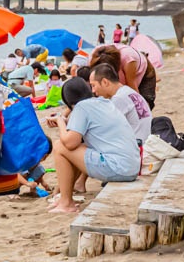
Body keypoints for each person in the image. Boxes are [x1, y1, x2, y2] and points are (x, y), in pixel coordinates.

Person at [47, 78, 141, 213]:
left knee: (59, 146)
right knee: (77, 147)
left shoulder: (81, 107)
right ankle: (64, 197)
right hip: (130, 167)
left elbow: (69, 143)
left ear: (69, 102)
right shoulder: (104, 102)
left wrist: (60, 121)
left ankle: (66, 203)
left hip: (117, 167)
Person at [89, 63, 152, 143]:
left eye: (93, 85)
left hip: (137, 147)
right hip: (145, 141)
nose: (93, 91)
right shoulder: (127, 91)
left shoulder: (119, 99)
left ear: (105, 82)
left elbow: (104, 130)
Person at [89, 44, 156, 110]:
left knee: (143, 102)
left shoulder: (128, 59)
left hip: (143, 71)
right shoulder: (94, 58)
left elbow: (133, 90)